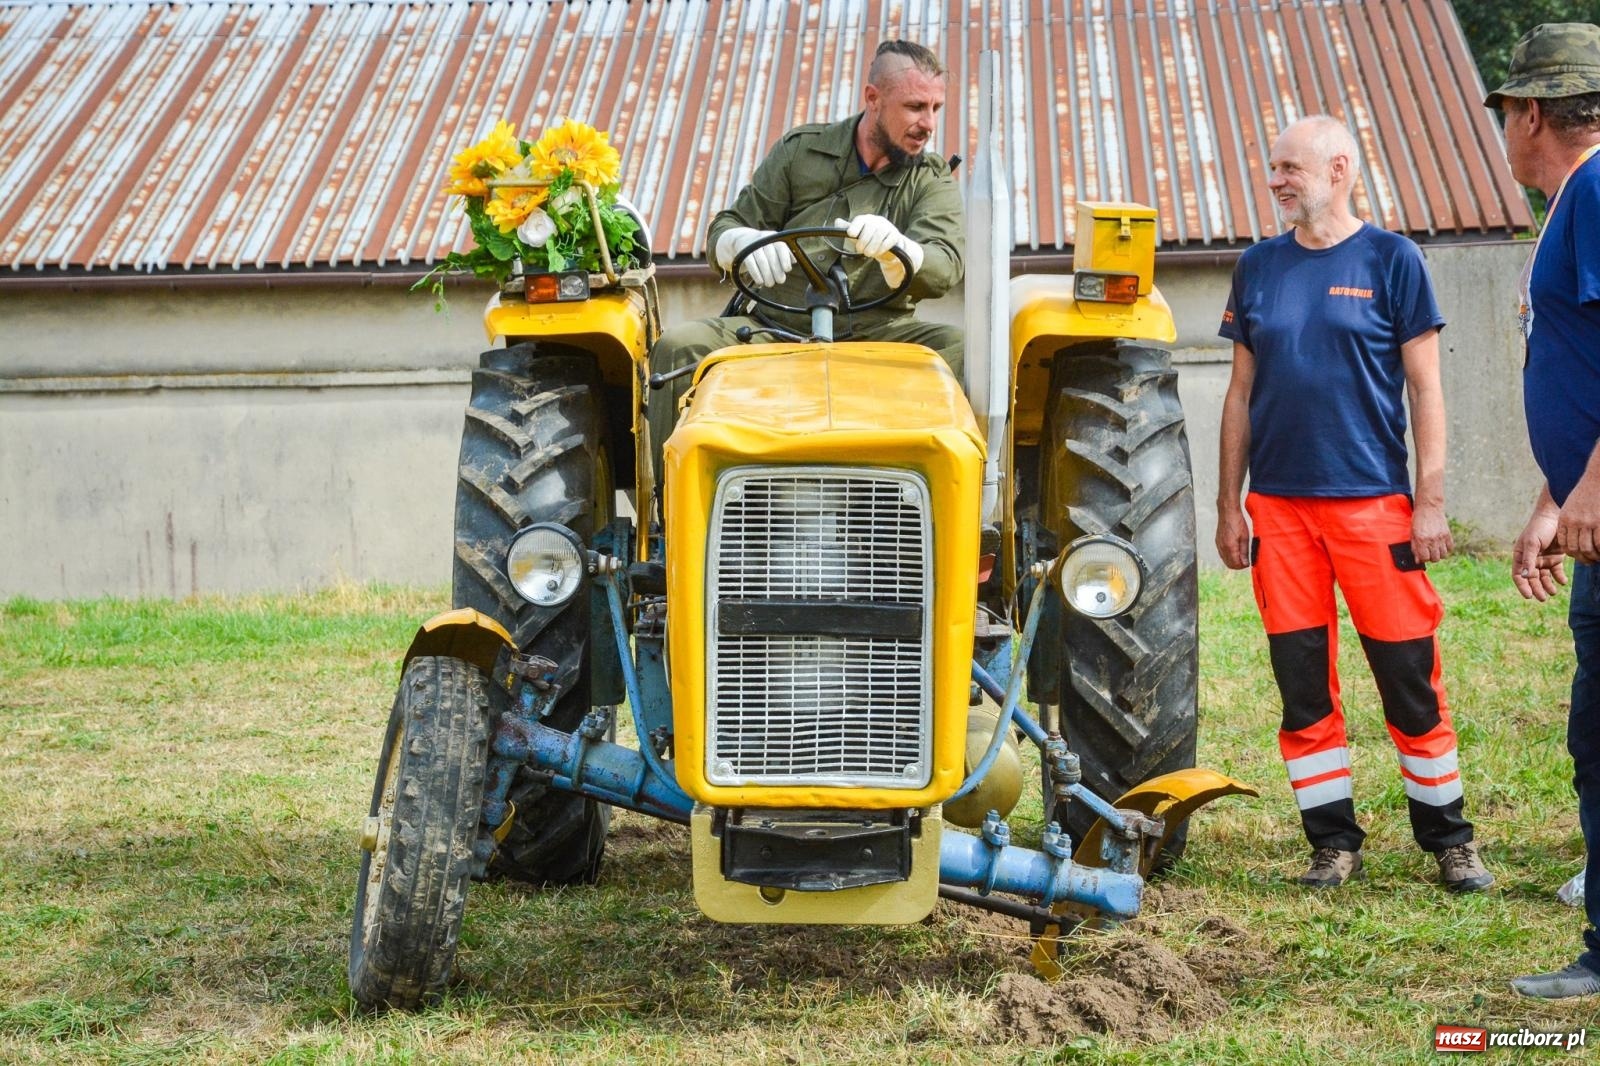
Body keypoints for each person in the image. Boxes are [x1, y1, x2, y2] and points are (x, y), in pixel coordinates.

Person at [1215, 115, 1494, 893]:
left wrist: (1429, 501)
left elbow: (1426, 388)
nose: (1276, 181)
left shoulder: (1392, 260)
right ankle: (1332, 843)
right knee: (1303, 687)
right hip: (1278, 514)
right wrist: (1226, 505)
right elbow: (1238, 396)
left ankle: (1449, 840)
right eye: (1272, 168)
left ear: (1338, 168)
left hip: (1374, 509)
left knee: (1409, 678)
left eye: (1288, 168)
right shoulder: (1257, 267)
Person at [646, 39, 964, 477]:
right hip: (776, 328)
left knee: (960, 351)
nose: (928, 124)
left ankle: (962, 516)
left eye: (935, 108)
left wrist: (903, 251)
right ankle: (673, 521)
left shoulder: (929, 180)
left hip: (880, 334)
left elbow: (944, 266)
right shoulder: (801, 151)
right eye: (914, 106)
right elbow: (726, 226)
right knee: (679, 348)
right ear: (873, 99)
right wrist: (737, 241)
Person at [1490, 22, 1600, 999]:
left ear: (1532, 113)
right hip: (1587, 512)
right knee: (1592, 725)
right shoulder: (1570, 205)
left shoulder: (1599, 189)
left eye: (1506, 114)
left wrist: (1593, 487)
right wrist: (1550, 499)